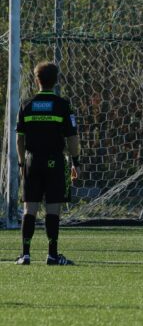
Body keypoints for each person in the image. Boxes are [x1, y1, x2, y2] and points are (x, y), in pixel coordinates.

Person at [15, 61, 80, 265]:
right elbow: (72, 138)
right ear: (56, 81)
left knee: (30, 208)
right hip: (55, 161)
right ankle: (52, 254)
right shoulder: (63, 105)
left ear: (37, 80)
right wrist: (75, 161)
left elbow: (19, 138)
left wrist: (21, 163)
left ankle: (25, 254)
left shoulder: (26, 104)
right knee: (53, 208)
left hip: (31, 161)